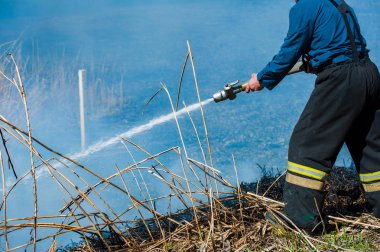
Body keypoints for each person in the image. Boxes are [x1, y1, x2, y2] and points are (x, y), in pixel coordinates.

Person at [245, 0, 380, 234]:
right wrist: (313, 62)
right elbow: (340, 45)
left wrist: (262, 79)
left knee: (306, 145)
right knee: (369, 146)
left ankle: (302, 219)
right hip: (368, 74)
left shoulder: (304, 6)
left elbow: (290, 51)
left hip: (341, 80)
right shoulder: (338, 4)